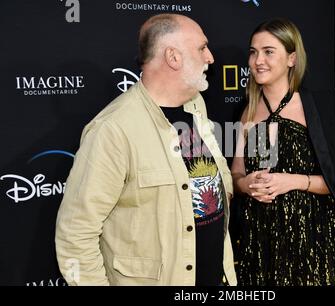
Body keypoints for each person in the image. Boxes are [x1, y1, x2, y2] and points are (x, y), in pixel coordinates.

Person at [55, 14, 237, 286]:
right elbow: (75, 234)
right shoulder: (113, 130)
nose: (210, 57)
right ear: (173, 57)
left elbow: (213, 173)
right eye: (201, 48)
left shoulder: (196, 105)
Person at [231, 18, 335, 286]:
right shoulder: (247, 111)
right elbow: (236, 173)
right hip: (259, 242)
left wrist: (291, 181)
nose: (258, 60)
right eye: (253, 51)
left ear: (291, 58)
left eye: (269, 51)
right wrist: (246, 185)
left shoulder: (325, 106)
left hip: (312, 239)